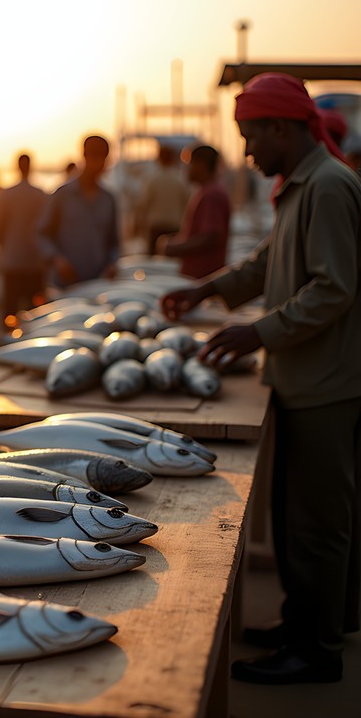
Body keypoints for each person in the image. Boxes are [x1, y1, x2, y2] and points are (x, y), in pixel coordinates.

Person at [160, 72, 361, 686]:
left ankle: (316, 651)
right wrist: (209, 289)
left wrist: (257, 332)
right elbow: (268, 262)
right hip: (302, 377)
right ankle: (303, 626)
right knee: (298, 518)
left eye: (251, 136)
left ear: (280, 127)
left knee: (318, 524)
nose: (246, 151)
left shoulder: (328, 187)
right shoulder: (300, 185)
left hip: (325, 384)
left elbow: (333, 289)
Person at [36, 134, 119, 288]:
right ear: (85, 157)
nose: (99, 164)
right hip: (64, 286)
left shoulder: (109, 200)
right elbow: (43, 234)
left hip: (98, 286)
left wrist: (112, 264)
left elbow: (114, 243)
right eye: (95, 158)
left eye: (102, 159)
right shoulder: (62, 195)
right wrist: (57, 260)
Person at [157, 145, 230, 278]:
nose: (186, 169)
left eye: (188, 163)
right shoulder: (207, 191)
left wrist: (174, 248)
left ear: (201, 165)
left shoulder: (211, 195)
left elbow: (210, 237)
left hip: (202, 277)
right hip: (200, 277)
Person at [0, 152, 47, 322]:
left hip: (12, 262)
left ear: (17, 167)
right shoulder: (41, 195)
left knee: (9, 314)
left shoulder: (7, 194)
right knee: (36, 317)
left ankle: (7, 344)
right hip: (35, 263)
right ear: (31, 167)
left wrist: (7, 248)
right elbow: (48, 229)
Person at [136, 144, 190, 255]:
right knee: (173, 266)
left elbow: (144, 205)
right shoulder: (180, 180)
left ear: (159, 159)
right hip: (175, 228)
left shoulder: (152, 180)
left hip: (156, 228)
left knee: (153, 265)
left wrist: (139, 226)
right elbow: (188, 204)